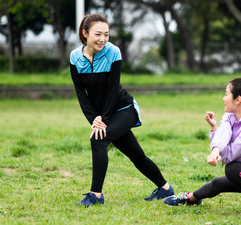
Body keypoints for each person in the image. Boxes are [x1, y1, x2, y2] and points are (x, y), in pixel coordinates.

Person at [69, 13, 174, 207]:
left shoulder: (113, 52)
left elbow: (111, 90)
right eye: (98, 34)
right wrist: (94, 119)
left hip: (123, 109)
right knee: (136, 156)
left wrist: (104, 119)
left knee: (98, 138)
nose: (103, 39)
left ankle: (96, 195)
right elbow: (81, 94)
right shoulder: (75, 57)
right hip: (102, 114)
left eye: (106, 34)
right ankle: (165, 189)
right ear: (85, 34)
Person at [164, 78, 241, 217]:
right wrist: (214, 132)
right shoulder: (230, 116)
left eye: (226, 94)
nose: (223, 98)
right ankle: (191, 198)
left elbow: (229, 156)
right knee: (218, 183)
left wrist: (217, 153)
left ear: (238, 100)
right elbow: (224, 133)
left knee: (232, 169)